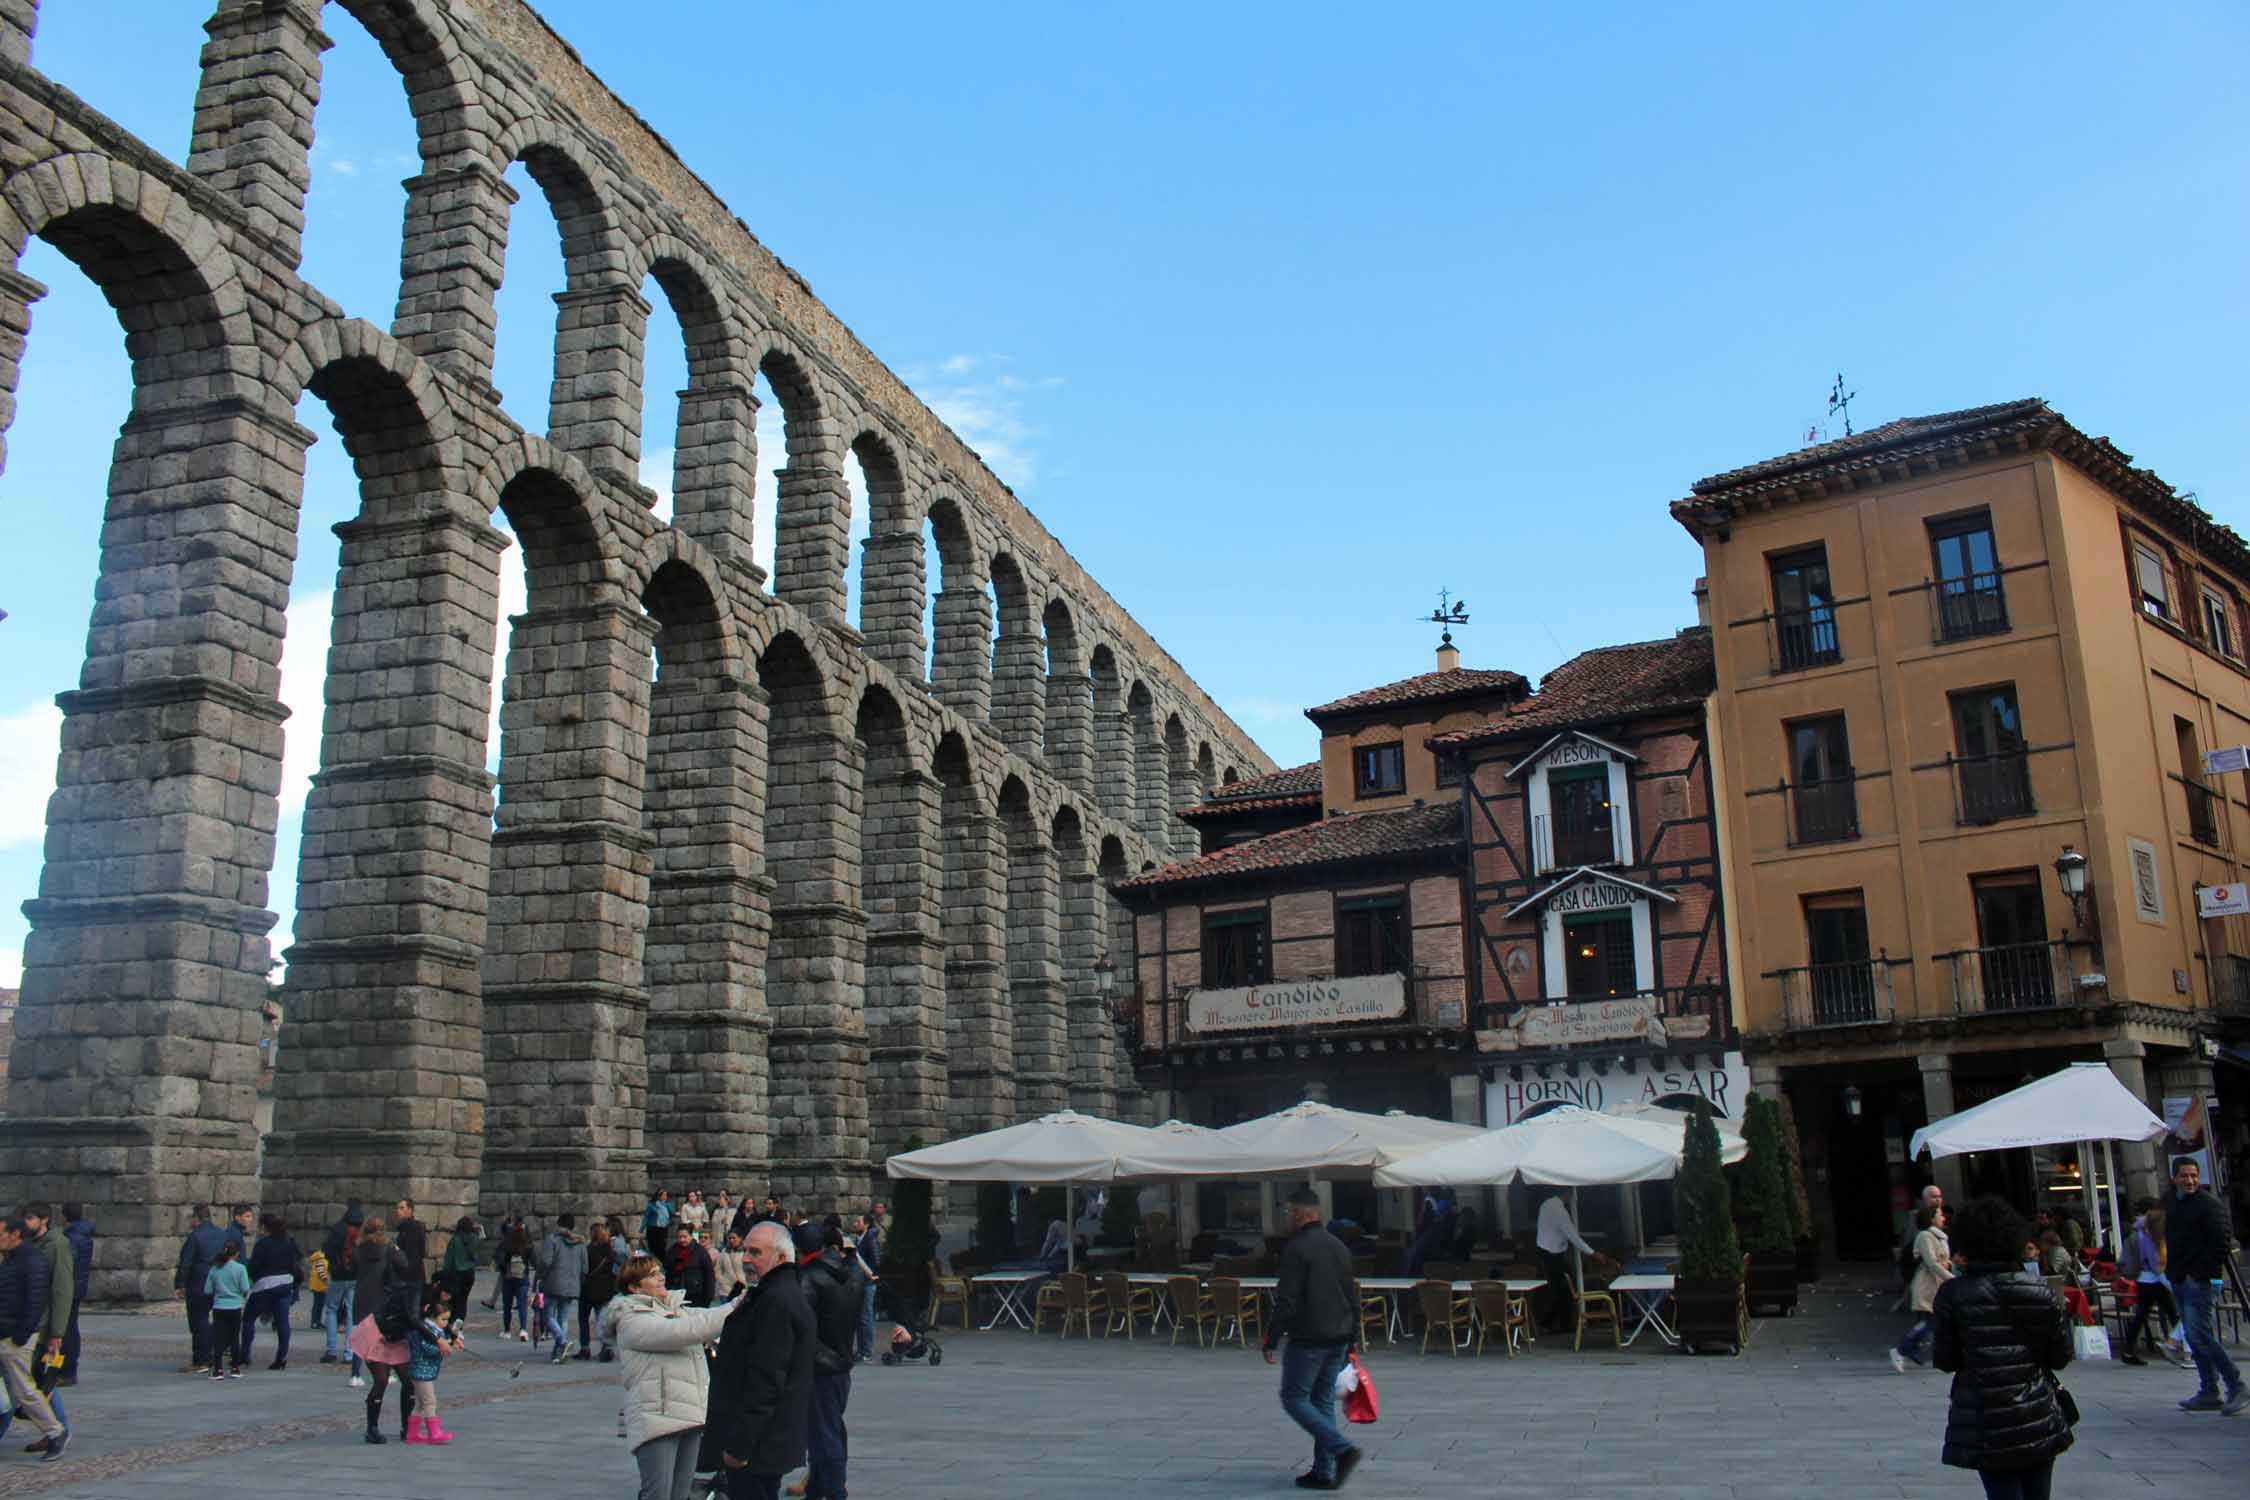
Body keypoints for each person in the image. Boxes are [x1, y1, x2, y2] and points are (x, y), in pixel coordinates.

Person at [1930, 1195, 2073, 1500]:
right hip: (2037, 1411)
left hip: (1986, 1416)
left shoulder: (1953, 1294)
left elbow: (1945, 1359)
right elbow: (2060, 1356)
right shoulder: (2039, 1289)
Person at [616, 1250, 738, 1500]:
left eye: (660, 1271)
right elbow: (685, 1331)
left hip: (689, 1415)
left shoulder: (674, 1308)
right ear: (633, 1287)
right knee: (657, 1494)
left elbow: (706, 1316)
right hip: (657, 1419)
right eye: (652, 1275)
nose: (661, 1277)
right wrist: (740, 1305)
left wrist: (742, 1301)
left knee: (681, 1494)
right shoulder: (630, 1319)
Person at [707, 1221, 816, 1500]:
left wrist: (739, 1446)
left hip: (759, 1443)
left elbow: (766, 1379)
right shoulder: (774, 1293)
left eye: (755, 1252)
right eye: (745, 1251)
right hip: (766, 1439)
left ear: (781, 1258)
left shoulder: (776, 1301)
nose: (745, 1259)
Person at [1262, 1187, 1361, 1492]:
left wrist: (1271, 1337)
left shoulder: (1295, 1249)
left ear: (1299, 1213)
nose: (1285, 1218)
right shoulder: (1338, 1247)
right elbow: (1351, 1293)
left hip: (1310, 1337)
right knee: (1321, 1401)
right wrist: (1354, 1336)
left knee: (1294, 1398)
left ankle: (1341, 1449)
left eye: (1286, 1212)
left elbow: (1287, 1300)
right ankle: (1323, 1470)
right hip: (1339, 1336)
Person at [2164, 1157, 2246, 1414]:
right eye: (2184, 1176)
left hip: (2200, 1281)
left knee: (2200, 1335)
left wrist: (2196, 1273)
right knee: (2193, 1335)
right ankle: (2209, 1390)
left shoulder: (2209, 1205)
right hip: (2180, 1278)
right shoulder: (2174, 1204)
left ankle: (2236, 1384)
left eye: (2193, 1175)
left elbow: (2221, 1242)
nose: (2190, 1180)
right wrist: (2174, 1272)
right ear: (2174, 1178)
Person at [801, 1224, 863, 1500]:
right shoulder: (850, 1273)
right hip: (841, 1360)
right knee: (830, 1427)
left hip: (818, 1364)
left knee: (824, 1433)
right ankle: (817, 1486)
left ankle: (835, 1491)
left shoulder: (810, 1277)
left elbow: (801, 1325)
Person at [0, 1217, 68, 1462]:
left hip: (15, 1336)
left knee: (25, 1390)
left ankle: (55, 1432)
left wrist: (22, 1333)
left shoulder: (31, 1261)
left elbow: (36, 1300)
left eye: (0, 1234)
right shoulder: (11, 1259)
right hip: (6, 1332)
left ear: (15, 1234)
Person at [347, 1218, 415, 1441]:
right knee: (407, 1378)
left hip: (365, 1315)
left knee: (381, 1379)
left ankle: (372, 1428)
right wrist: (395, 1248)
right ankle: (406, 1427)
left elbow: (350, 1268)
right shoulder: (389, 1250)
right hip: (386, 1315)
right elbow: (405, 1265)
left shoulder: (357, 1252)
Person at [1534, 1192, 1616, 1336]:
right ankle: (1555, 1324)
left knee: (1562, 1289)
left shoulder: (1546, 1204)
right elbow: (1573, 1237)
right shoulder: (1560, 1212)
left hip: (1545, 1250)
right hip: (1552, 1254)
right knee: (1565, 1289)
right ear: (1566, 1194)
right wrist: (1593, 1254)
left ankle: (1554, 1323)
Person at [2118, 1201, 2188, 1368]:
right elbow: (2156, 1261)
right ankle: (2178, 1345)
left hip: (2142, 1278)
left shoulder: (2136, 1233)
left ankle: (2129, 1349)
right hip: (2156, 1278)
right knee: (2175, 1313)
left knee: (2142, 1314)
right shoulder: (2151, 1232)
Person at [1890, 1202, 1953, 1371]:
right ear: (1931, 1218)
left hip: (1936, 1284)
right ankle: (1902, 1350)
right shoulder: (1925, 1236)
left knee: (1931, 1322)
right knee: (1930, 1322)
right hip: (1928, 1285)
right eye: (1939, 1214)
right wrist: (1951, 1278)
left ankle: (1911, 1351)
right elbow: (1932, 1263)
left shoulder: (1939, 1236)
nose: (1943, 1217)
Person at [403, 1284, 462, 1445]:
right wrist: (442, 1349)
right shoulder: (425, 1331)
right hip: (420, 1371)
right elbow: (427, 1348)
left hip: (424, 1371)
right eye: (443, 1319)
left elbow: (442, 1343)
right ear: (432, 1316)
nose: (445, 1323)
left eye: (447, 1320)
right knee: (430, 1401)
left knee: (420, 1403)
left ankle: (412, 1434)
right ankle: (434, 1432)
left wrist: (452, 1343)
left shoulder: (436, 1330)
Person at [242, 1213, 303, 1370]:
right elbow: (297, 1262)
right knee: (283, 1322)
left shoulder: (263, 1244)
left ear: (264, 1227)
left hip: (266, 1284)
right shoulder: (289, 1242)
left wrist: (254, 1280)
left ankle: (245, 1355)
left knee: (249, 1318)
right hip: (286, 1284)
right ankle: (281, 1358)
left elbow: (254, 1266)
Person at [173, 1203, 226, 1373]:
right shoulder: (221, 1234)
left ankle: (201, 1360)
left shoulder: (195, 1237)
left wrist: (179, 1284)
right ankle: (211, 1355)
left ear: (196, 1218)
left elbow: (186, 1263)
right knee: (213, 1320)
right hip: (219, 1281)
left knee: (198, 1322)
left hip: (199, 1283)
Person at [541, 1213, 589, 1363]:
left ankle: (561, 1342)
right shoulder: (580, 1243)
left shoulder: (553, 1240)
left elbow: (546, 1262)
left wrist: (541, 1276)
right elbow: (585, 1267)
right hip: (572, 1285)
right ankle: (558, 1352)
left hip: (553, 1283)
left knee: (547, 1317)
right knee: (563, 1318)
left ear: (559, 1224)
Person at [320, 1204, 363, 1364]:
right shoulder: (359, 1233)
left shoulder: (338, 1231)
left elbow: (326, 1250)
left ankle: (331, 1350)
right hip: (354, 1276)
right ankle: (349, 1352)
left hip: (338, 1275)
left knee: (331, 1310)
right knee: (352, 1312)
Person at [205, 1239, 250, 1380]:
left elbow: (207, 1290)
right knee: (234, 1338)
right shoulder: (240, 1268)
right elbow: (245, 1288)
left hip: (219, 1307)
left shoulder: (214, 1268)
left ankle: (218, 1370)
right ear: (237, 1253)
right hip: (235, 1307)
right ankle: (235, 1368)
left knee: (219, 1339)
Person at [1896, 1183, 1943, 1311]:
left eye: (1939, 1196)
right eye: (1933, 1197)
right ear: (1924, 1200)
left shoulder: (1943, 1216)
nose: (1938, 1199)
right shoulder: (1916, 1218)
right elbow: (1910, 1243)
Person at [58, 1204, 91, 1388]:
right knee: (71, 1328)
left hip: (69, 1289)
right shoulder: (83, 1235)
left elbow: (67, 1264)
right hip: (78, 1287)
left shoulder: (72, 1237)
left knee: (67, 1331)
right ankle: (68, 1370)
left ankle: (67, 1371)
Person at [581, 1220, 619, 1361]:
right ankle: (606, 1347)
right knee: (602, 1319)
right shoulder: (610, 1250)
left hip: (588, 1288)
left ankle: (585, 1347)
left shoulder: (588, 1249)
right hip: (606, 1288)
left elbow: (584, 1268)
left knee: (584, 1318)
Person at [851, 1211, 883, 1363]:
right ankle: (861, 1350)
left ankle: (867, 1351)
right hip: (860, 1282)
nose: (855, 1224)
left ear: (866, 1224)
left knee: (866, 1317)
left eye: (858, 1221)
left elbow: (876, 1260)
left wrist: (871, 1275)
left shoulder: (870, 1239)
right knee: (860, 1318)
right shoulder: (859, 1239)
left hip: (868, 1283)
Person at [496, 1218, 534, 1342]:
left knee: (507, 1305)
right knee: (522, 1305)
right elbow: (534, 1261)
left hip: (508, 1277)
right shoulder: (528, 1245)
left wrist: (504, 1270)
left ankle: (507, 1331)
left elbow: (500, 1260)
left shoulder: (506, 1244)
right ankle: (523, 1330)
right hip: (522, 1277)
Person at [438, 1215, 481, 1321]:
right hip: (469, 1274)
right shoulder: (474, 1238)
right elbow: (475, 1257)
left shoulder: (455, 1239)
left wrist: (444, 1275)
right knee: (463, 1301)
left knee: (453, 1302)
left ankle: (452, 1326)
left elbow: (449, 1260)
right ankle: (459, 1327)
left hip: (457, 1274)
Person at [393, 1199, 428, 1286]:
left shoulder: (413, 1228)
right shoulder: (404, 1228)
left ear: (410, 1210)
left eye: (401, 1208)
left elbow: (414, 1254)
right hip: (412, 1277)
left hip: (410, 1279)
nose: (398, 1211)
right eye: (397, 1208)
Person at [715, 1234, 748, 1303]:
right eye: (729, 1238)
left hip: (741, 1289)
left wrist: (745, 1283)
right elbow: (717, 1270)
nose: (731, 1240)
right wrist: (723, 1281)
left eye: (734, 1238)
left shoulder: (745, 1252)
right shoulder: (724, 1251)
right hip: (725, 1291)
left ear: (740, 1239)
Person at [643, 1191, 675, 1263]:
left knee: (661, 1248)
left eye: (666, 1195)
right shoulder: (652, 1205)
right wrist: (642, 1228)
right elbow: (646, 1216)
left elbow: (672, 1212)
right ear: (658, 1196)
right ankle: (653, 1262)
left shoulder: (666, 1205)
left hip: (663, 1229)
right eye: (663, 1195)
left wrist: (668, 1205)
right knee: (653, 1247)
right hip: (653, 1228)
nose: (665, 1197)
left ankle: (662, 1264)